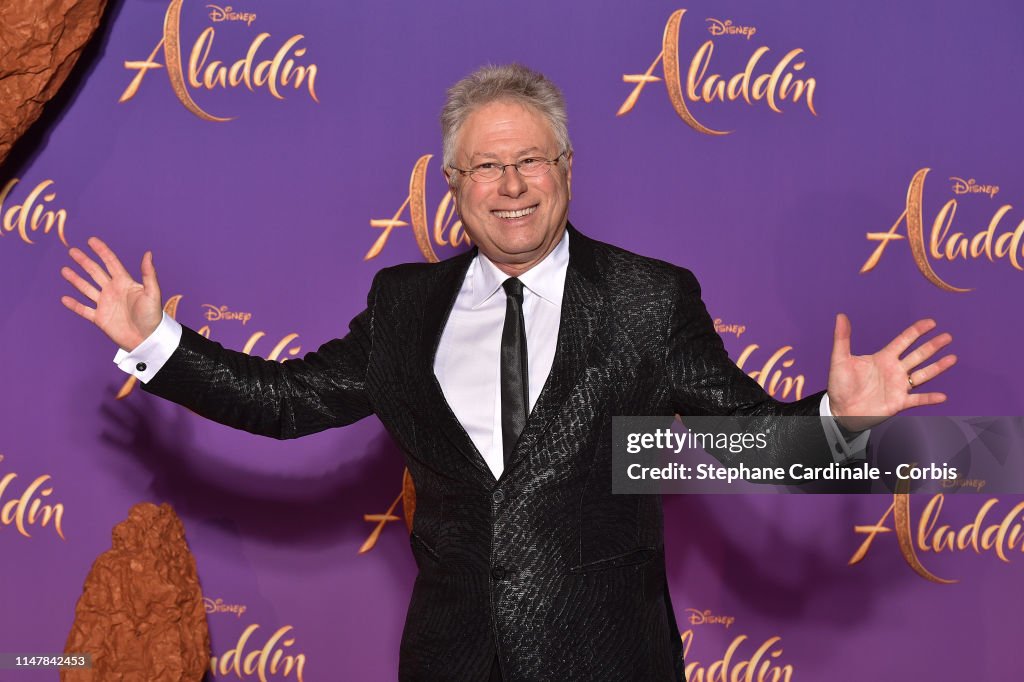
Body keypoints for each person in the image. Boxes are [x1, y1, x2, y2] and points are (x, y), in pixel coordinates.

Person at [60, 64, 955, 681]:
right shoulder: (404, 304)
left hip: (609, 659)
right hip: (452, 658)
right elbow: (290, 403)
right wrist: (162, 343)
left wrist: (839, 419)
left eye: (531, 159)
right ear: (453, 185)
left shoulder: (649, 299)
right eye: (486, 165)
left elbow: (754, 445)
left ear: (567, 170)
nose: (512, 184)